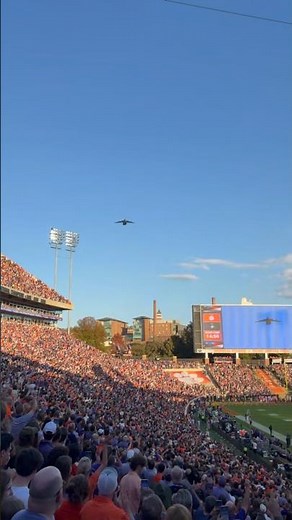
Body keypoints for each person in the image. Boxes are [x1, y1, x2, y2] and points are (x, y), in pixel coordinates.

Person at [119, 454, 146, 518]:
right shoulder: (139, 481)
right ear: (139, 467)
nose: (143, 469)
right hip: (133, 514)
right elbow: (143, 499)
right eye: (143, 467)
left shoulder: (124, 478)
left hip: (121, 512)